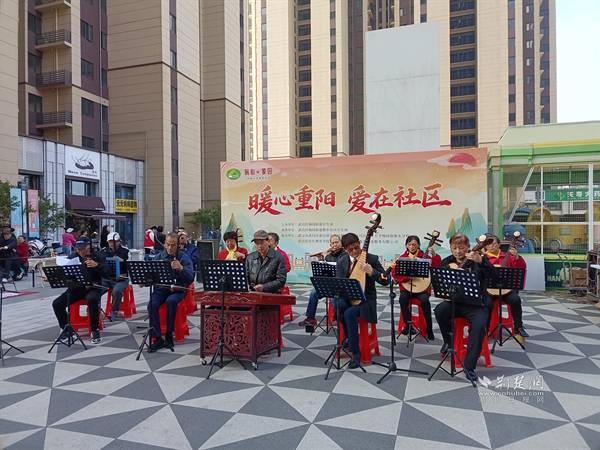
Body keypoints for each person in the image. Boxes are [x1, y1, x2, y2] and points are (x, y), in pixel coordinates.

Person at [434, 233, 496, 382]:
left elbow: (495, 275)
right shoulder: (446, 261)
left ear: (468, 247)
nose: (458, 251)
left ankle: (469, 366)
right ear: (450, 248)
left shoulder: (477, 260)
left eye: (461, 248)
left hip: (476, 305)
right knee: (439, 310)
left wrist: (481, 261)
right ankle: (449, 342)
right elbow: (440, 281)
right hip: (454, 303)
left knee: (479, 326)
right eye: (454, 248)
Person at [336, 232, 389, 368]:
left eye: (356, 247)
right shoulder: (342, 261)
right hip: (348, 298)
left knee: (349, 313)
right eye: (350, 249)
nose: (354, 251)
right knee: (337, 303)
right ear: (345, 249)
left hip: (366, 301)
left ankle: (356, 352)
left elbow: (386, 280)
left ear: (360, 243)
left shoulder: (371, 259)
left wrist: (371, 272)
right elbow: (338, 282)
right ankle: (348, 336)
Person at [49, 236, 111, 344]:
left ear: (89, 246)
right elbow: (64, 272)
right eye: (78, 249)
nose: (81, 251)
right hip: (76, 288)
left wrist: (97, 265)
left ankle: (95, 329)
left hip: (93, 287)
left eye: (83, 249)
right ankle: (67, 331)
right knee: (57, 303)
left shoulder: (98, 256)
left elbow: (108, 273)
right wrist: (53, 277)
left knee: (92, 299)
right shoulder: (73, 256)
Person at [145, 232, 194, 352]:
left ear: (178, 245)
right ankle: (157, 337)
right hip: (160, 290)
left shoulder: (184, 258)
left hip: (177, 290)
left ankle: (169, 332)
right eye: (168, 244)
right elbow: (151, 276)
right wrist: (144, 281)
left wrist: (181, 268)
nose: (170, 247)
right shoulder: (158, 257)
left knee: (171, 301)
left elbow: (190, 279)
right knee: (152, 303)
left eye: (173, 245)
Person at [392, 235, 441, 340]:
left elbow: (437, 266)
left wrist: (434, 255)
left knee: (425, 301)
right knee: (403, 299)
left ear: (418, 245)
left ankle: (429, 328)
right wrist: (407, 277)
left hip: (422, 289)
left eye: (414, 244)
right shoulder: (402, 258)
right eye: (409, 244)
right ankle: (408, 325)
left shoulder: (426, 257)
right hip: (407, 287)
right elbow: (394, 273)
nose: (412, 247)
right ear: (406, 245)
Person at [483, 235, 529, 339]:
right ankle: (485, 329)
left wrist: (516, 257)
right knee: (487, 304)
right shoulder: (483, 258)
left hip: (505, 290)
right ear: (485, 246)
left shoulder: (507, 256)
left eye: (494, 244)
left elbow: (521, 268)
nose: (491, 246)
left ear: (499, 244)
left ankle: (518, 327)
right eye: (488, 244)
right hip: (489, 291)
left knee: (516, 299)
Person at [299, 234, 346, 327]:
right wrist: (321, 261)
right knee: (313, 293)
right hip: (329, 284)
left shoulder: (344, 254)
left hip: (340, 285)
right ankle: (311, 318)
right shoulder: (331, 254)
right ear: (330, 245)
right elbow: (327, 270)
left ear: (341, 243)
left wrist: (326, 257)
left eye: (337, 242)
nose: (335, 244)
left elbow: (337, 265)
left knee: (334, 298)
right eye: (333, 243)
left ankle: (340, 319)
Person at [100, 232, 130, 321]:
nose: (113, 244)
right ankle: (93, 309)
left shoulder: (125, 251)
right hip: (106, 278)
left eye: (115, 241)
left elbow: (131, 265)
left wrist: (122, 261)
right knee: (96, 289)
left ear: (119, 241)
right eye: (110, 241)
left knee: (116, 291)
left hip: (121, 278)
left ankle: (115, 310)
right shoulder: (103, 251)